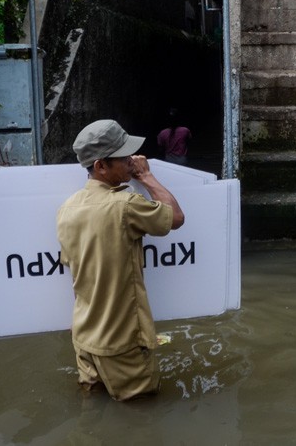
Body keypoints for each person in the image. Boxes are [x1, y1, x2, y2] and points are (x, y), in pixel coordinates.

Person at [56, 119, 185, 400]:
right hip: (121, 343)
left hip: (84, 337)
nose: (132, 161)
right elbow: (175, 217)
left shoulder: (67, 208)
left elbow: (76, 271)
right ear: (101, 166)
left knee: (93, 411)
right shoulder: (124, 205)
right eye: (124, 157)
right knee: (142, 419)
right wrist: (147, 177)